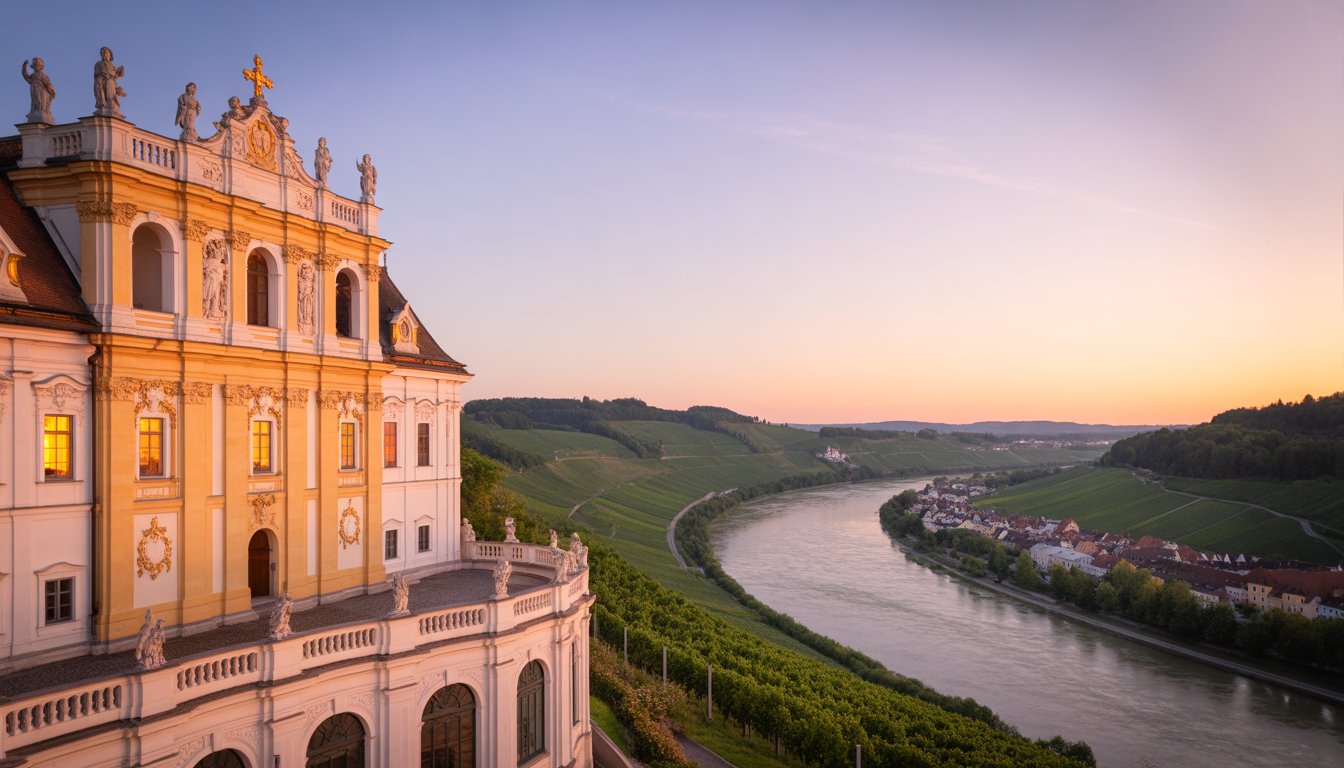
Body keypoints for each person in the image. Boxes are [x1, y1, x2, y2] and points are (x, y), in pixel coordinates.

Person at [93, 46, 125, 117]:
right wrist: (106, 73)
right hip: (102, 82)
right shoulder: (98, 64)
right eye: (103, 53)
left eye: (106, 52)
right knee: (104, 97)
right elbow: (97, 73)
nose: (104, 54)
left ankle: (111, 109)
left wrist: (120, 71)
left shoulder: (112, 66)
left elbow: (116, 75)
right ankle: (104, 108)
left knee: (111, 97)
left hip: (111, 82)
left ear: (110, 54)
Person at [21, 57, 55, 123]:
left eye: (38, 65)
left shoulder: (43, 75)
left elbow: (48, 84)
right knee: (36, 102)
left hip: (42, 91)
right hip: (34, 89)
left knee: (41, 103)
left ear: (41, 66)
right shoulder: (33, 75)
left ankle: (42, 113)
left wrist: (52, 91)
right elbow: (26, 77)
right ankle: (36, 113)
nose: (37, 66)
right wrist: (24, 67)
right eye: (35, 65)